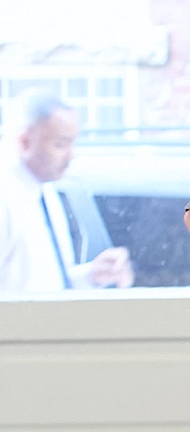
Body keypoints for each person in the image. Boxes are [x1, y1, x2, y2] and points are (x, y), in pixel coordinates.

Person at [0, 92, 133, 290]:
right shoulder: (6, 199)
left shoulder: (45, 192)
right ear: (25, 141)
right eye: (60, 144)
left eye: (72, 143)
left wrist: (92, 275)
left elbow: (38, 284)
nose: (72, 155)